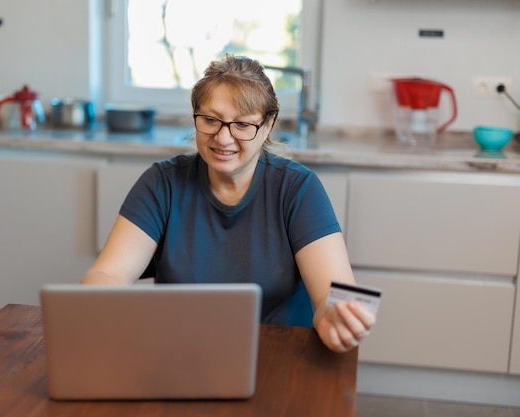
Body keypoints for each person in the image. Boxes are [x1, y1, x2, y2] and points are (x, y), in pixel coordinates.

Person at [82, 54, 375, 352]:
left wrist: (334, 317)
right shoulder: (162, 184)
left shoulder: (298, 189)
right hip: (182, 353)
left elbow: (333, 296)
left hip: (279, 356)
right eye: (210, 120)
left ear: (268, 125)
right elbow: (108, 273)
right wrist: (98, 298)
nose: (223, 138)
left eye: (242, 125)